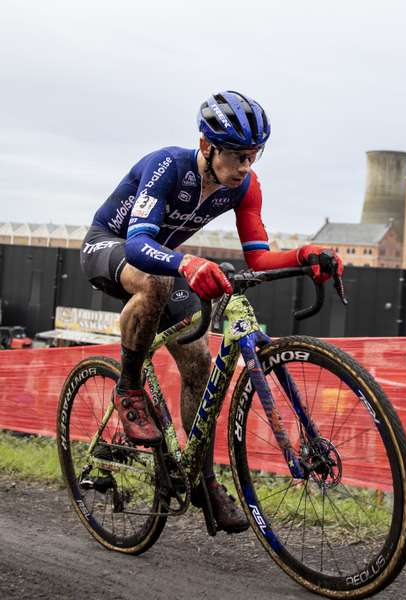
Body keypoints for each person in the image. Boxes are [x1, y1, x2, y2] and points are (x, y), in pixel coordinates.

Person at [80, 91, 344, 533]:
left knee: (200, 360)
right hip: (109, 247)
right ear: (207, 147)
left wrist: (305, 255)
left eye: (254, 155)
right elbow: (137, 243)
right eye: (239, 156)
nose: (246, 166)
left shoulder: (244, 186)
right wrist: (188, 263)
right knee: (158, 281)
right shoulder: (167, 166)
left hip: (162, 260)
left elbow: (258, 258)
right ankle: (128, 388)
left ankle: (202, 480)